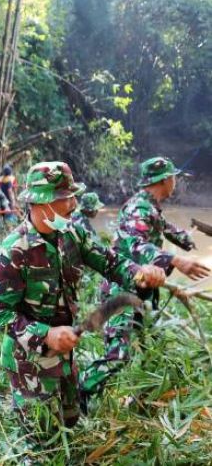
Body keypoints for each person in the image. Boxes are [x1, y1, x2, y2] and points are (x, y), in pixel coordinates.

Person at [0, 161, 165, 455]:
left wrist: (140, 272)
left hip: (67, 354)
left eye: (73, 195)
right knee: (43, 446)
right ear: (40, 202)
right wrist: (45, 334)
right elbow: (0, 313)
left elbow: (109, 261)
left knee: (70, 422)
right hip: (30, 363)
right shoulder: (13, 252)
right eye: (64, 197)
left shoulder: (72, 235)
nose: (73, 204)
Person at [80, 156, 210, 403]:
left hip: (142, 292)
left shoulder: (151, 208)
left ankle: (145, 398)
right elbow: (135, 244)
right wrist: (176, 260)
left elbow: (170, 230)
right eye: (174, 177)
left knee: (153, 348)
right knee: (117, 356)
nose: (176, 182)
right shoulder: (139, 208)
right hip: (122, 292)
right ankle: (77, 397)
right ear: (164, 180)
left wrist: (191, 237)